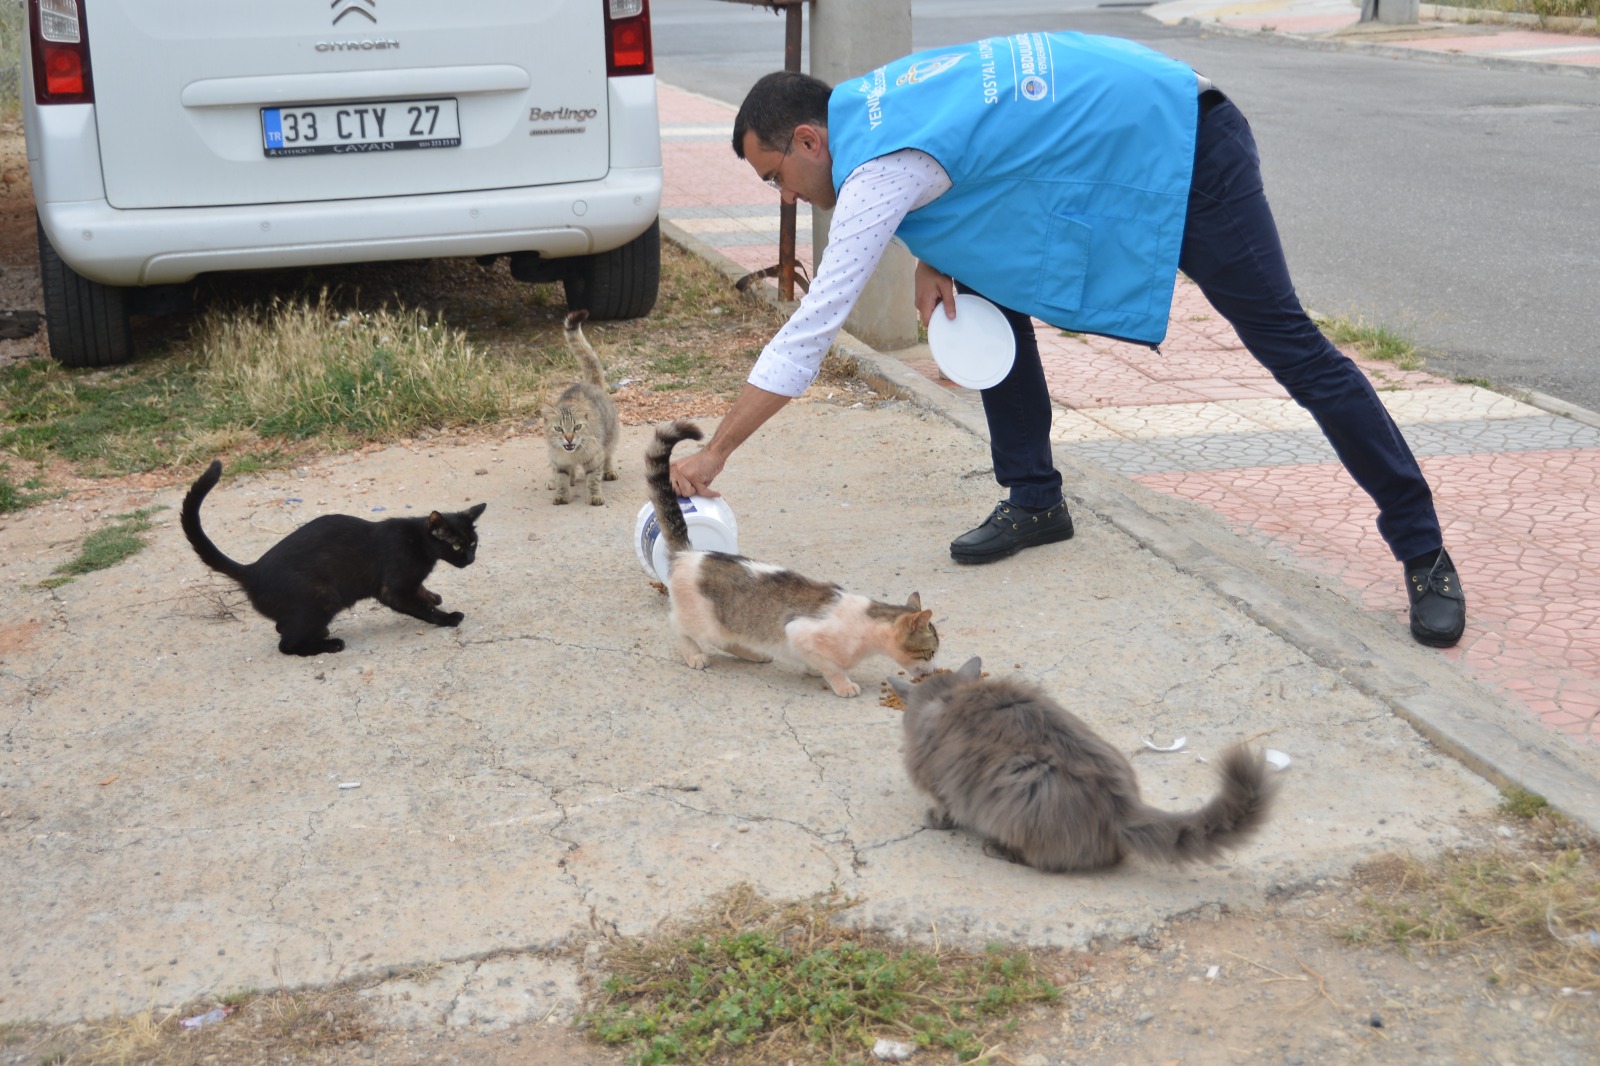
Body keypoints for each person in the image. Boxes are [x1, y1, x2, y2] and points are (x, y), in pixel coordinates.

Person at [667, 31, 1466, 649]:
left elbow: (811, 330)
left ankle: (1423, 548)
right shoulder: (873, 102)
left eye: (775, 176)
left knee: (1291, 348)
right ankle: (1035, 500)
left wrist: (716, 454)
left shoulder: (876, 165)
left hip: (1189, 146)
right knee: (982, 281)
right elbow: (986, 138)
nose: (783, 194)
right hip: (1118, 148)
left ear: (809, 140)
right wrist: (939, 253)